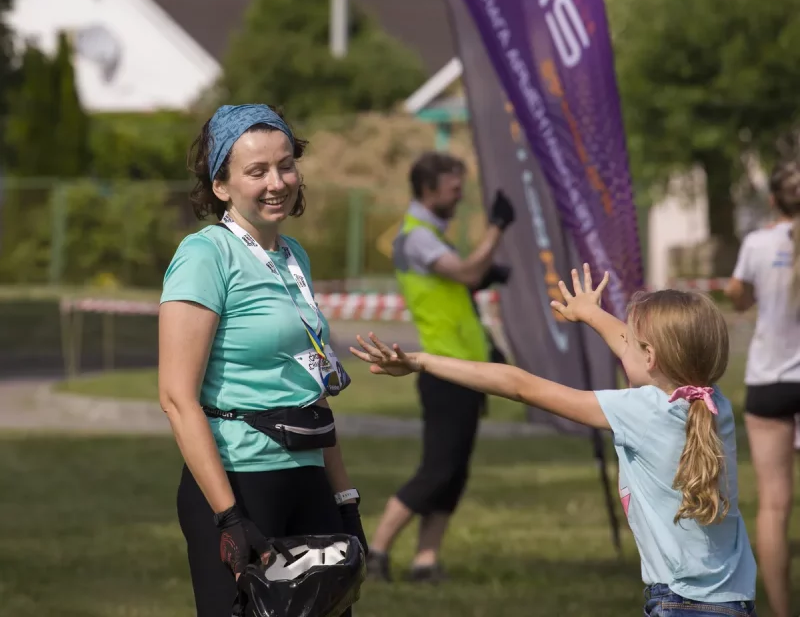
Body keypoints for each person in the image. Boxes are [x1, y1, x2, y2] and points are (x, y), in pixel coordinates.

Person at [351, 263, 758, 616]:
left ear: (650, 357)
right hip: (735, 600)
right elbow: (641, 349)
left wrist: (421, 361)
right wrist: (593, 314)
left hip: (679, 603)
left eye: (630, 343)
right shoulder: (713, 404)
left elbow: (519, 385)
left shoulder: (641, 410)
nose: (622, 343)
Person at [158, 104, 367, 617]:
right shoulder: (205, 255)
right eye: (257, 171)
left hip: (308, 479)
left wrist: (345, 500)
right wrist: (228, 517)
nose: (277, 182)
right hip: (239, 483)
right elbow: (177, 398)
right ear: (221, 186)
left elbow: (312, 388)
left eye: (285, 165)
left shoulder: (294, 257)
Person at [364, 152, 515, 583]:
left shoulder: (431, 234)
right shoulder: (416, 236)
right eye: (453, 189)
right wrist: (496, 228)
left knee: (454, 473)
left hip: (464, 366)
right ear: (428, 189)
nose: (459, 197)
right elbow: (465, 273)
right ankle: (375, 552)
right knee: (436, 471)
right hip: (442, 369)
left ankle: (425, 560)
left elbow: (458, 286)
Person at [725, 155, 800, 617]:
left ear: (773, 200)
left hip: (770, 381)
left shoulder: (757, 243)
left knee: (774, 506)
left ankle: (782, 611)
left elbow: (737, 295)